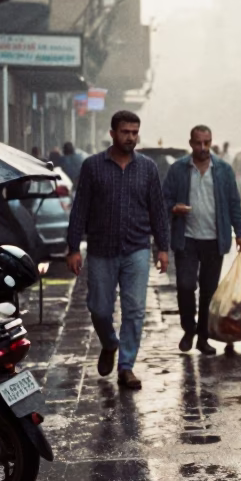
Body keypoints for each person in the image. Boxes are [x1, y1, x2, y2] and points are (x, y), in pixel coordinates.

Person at [66, 110, 170, 391]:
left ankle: (126, 367)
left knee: (135, 310)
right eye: (125, 132)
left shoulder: (147, 168)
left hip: (137, 248)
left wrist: (163, 247)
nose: (130, 137)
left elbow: (158, 210)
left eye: (135, 132)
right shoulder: (92, 167)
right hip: (101, 249)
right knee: (99, 308)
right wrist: (73, 247)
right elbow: (80, 208)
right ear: (112, 133)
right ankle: (110, 343)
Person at [163, 126, 241, 357]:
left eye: (207, 143)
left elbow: (234, 202)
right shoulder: (178, 169)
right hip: (186, 239)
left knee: (209, 291)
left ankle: (203, 337)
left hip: (214, 240)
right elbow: (164, 198)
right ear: (191, 143)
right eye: (198, 143)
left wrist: (240, 232)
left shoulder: (223, 170)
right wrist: (174, 208)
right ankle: (188, 328)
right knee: (185, 286)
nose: (203, 148)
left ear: (211, 142)